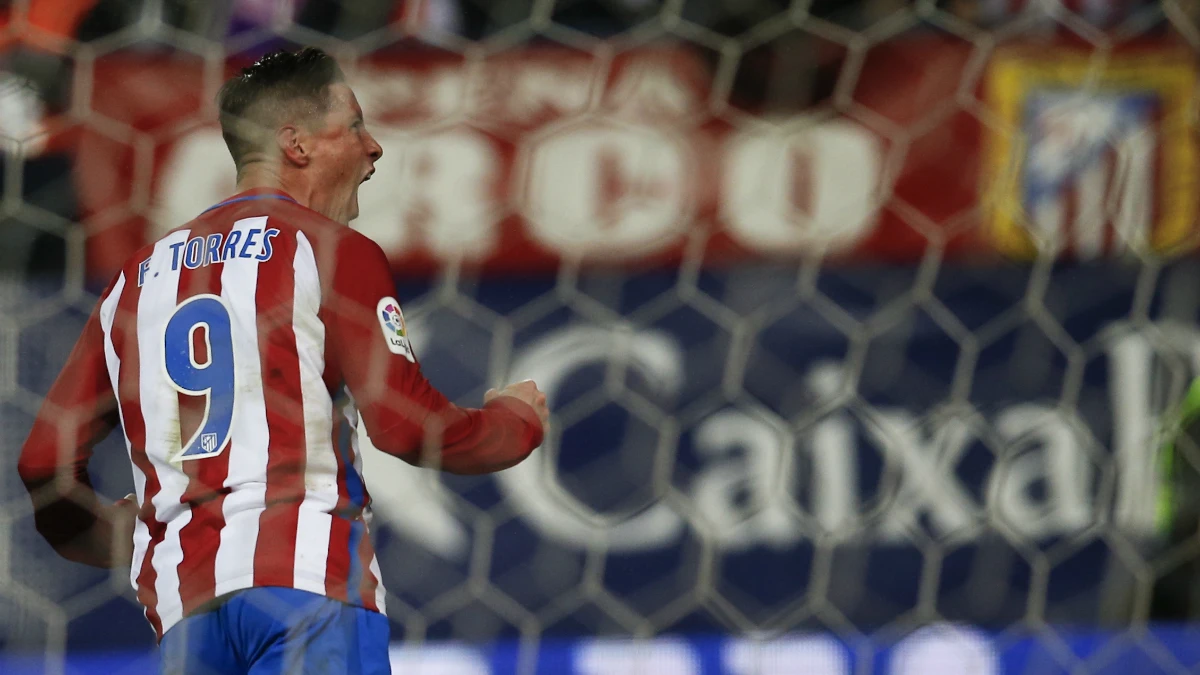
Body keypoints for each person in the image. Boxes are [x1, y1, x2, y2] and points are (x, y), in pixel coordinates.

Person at [17, 47, 550, 674]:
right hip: (307, 586)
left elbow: (42, 461)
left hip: (186, 615)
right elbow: (409, 427)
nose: (374, 146)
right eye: (353, 125)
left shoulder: (133, 282)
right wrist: (517, 423)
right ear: (296, 144)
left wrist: (99, 538)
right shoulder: (328, 250)